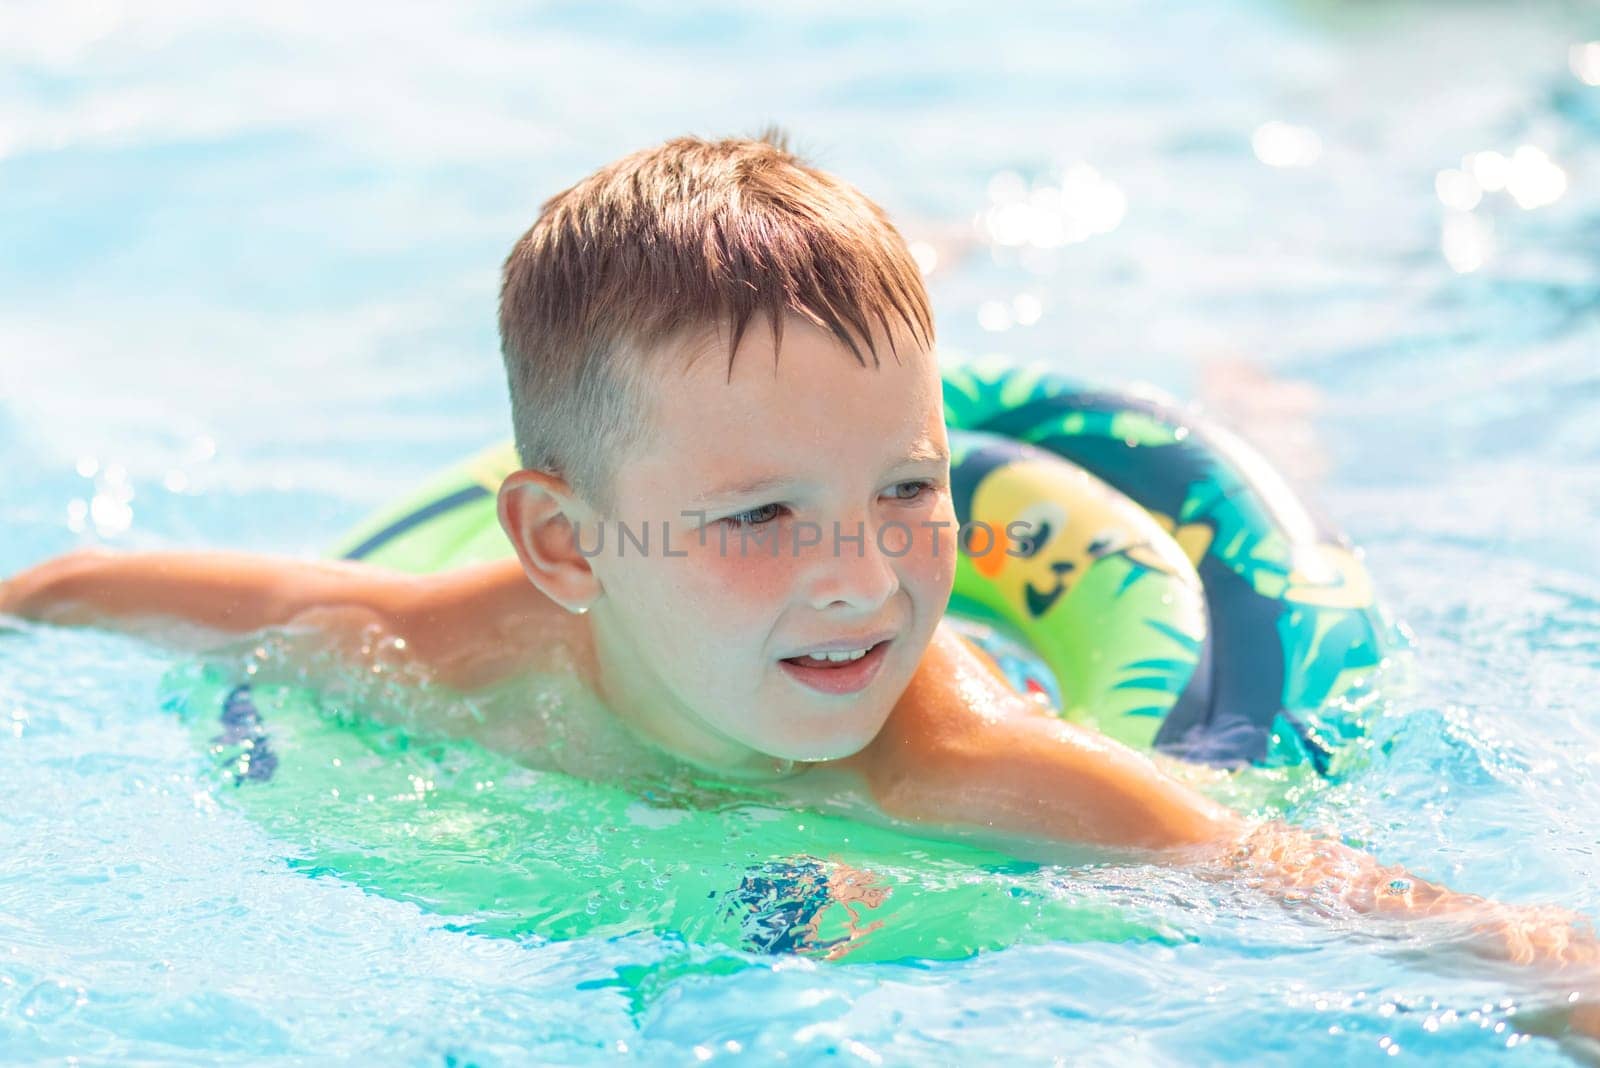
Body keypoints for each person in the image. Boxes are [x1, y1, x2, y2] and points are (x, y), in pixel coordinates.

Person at [4, 131, 1599, 1043]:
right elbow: (86, 586)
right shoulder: (446, 652)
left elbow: (1372, 910)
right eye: (762, 512)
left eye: (909, 489)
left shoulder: (959, 763)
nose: (863, 575)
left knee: (1253, 432)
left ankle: (1251, 374)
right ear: (564, 548)